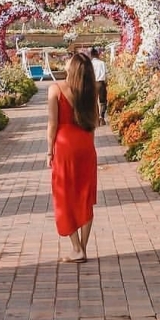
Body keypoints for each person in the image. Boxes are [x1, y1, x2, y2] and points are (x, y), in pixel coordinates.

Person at [46, 52, 98, 262]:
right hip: (85, 144)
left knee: (65, 195)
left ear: (72, 68)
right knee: (85, 197)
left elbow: (53, 124)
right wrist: (91, 147)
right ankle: (82, 249)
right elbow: (93, 122)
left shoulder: (55, 89)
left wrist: (49, 150)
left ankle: (77, 247)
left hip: (65, 146)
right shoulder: (89, 92)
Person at [90, 46, 108, 125]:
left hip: (93, 83)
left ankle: (96, 118)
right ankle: (102, 117)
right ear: (97, 54)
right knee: (103, 101)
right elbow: (106, 74)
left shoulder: (90, 64)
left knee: (94, 102)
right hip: (101, 83)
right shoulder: (102, 63)